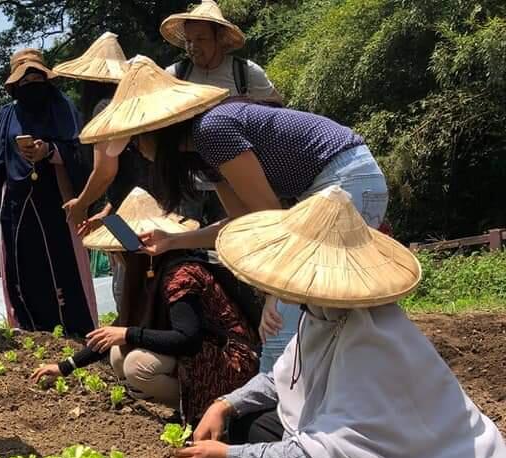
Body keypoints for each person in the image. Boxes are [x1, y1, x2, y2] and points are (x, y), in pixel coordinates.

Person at [176, 187, 506, 458]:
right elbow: (281, 381)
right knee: (253, 425)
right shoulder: (323, 314)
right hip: (364, 456)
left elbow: (329, 450)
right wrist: (225, 404)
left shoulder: (372, 340)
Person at [79, 56, 389, 372]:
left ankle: (293, 403)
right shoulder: (202, 154)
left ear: (158, 129)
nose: (138, 151)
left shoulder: (213, 130)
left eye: (135, 140)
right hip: (325, 188)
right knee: (315, 312)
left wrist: (273, 291)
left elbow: (268, 215)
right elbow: (242, 224)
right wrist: (173, 240)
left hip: (346, 182)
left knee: (284, 320)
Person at [31, 188, 258, 422]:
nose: (117, 258)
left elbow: (188, 338)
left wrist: (130, 333)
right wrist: (65, 366)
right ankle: (185, 404)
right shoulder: (146, 275)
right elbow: (116, 333)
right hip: (201, 354)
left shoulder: (180, 274)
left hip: (229, 360)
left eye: (120, 251)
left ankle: (201, 408)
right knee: (119, 354)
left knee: (137, 365)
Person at [0, 49, 97, 335]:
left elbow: (83, 148)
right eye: (25, 80)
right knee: (22, 265)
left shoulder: (63, 109)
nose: (32, 86)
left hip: (56, 194)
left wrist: (50, 151)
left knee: (64, 265)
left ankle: (78, 330)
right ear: (15, 85)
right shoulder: (5, 117)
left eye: (36, 78)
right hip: (16, 202)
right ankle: (28, 327)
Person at [160, 0, 282, 226]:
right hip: (191, 182)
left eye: (202, 39)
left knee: (243, 233)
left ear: (220, 39)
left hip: (237, 180)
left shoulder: (245, 72)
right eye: (189, 40)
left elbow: (276, 109)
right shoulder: (175, 75)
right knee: (187, 245)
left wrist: (236, 106)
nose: (193, 46)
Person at [52, 33, 151, 309]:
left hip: (127, 215)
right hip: (139, 205)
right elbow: (134, 171)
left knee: (129, 282)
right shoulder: (134, 104)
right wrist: (105, 211)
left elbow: (106, 170)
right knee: (148, 271)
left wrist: (81, 204)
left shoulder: (103, 108)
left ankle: (133, 340)